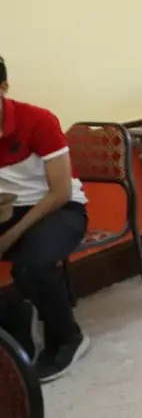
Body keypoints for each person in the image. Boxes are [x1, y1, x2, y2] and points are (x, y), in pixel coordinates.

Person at [0, 56, 91, 382]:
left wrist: (8, 237)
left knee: (32, 265)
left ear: (3, 87)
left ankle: (68, 338)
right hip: (9, 209)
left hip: (59, 207)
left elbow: (60, 192)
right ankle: (15, 318)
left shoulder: (38, 120)